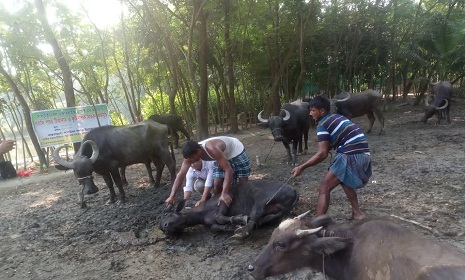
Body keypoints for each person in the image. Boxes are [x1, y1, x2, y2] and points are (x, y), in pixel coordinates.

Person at [291, 96, 372, 220]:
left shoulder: (323, 124)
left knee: (324, 187)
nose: (310, 113)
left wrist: (302, 167)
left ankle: (319, 223)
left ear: (322, 111)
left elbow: (322, 153)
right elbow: (333, 142)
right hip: (363, 153)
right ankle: (357, 214)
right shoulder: (337, 117)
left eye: (313, 110)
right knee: (343, 180)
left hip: (350, 154)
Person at [179, 137, 251, 208]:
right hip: (221, 155)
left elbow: (228, 170)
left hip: (235, 151)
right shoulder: (191, 157)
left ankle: (244, 202)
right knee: (217, 183)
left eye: (192, 158)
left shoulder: (212, 149)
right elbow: (181, 174)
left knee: (243, 181)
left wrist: (224, 193)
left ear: (198, 152)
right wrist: (172, 196)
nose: (191, 161)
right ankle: (219, 204)